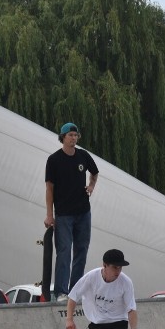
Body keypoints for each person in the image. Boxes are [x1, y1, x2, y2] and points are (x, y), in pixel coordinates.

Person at [45, 122, 99, 302]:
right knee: (64, 251)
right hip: (64, 214)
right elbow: (49, 189)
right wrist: (49, 215)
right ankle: (61, 291)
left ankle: (76, 291)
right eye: (70, 136)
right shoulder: (54, 160)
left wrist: (91, 186)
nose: (74, 139)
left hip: (83, 212)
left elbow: (95, 172)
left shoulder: (83, 155)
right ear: (63, 137)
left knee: (81, 251)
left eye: (76, 136)